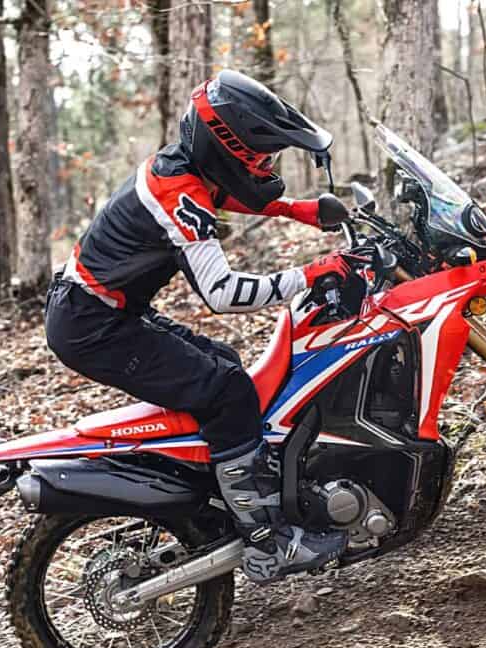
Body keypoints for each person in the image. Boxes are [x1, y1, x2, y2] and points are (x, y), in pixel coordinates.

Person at [45, 70, 350, 584]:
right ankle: (266, 540)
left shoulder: (182, 167)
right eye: (258, 159)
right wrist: (310, 275)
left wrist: (295, 209)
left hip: (102, 310)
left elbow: (224, 195)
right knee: (227, 390)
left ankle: (228, 500)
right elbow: (223, 294)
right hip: (92, 326)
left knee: (228, 366)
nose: (265, 167)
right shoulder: (179, 193)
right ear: (225, 149)